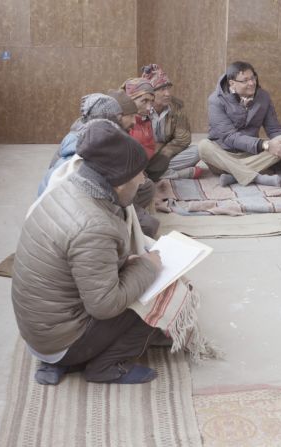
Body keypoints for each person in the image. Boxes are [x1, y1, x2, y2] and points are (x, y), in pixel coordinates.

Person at [12, 120, 166, 385]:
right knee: (160, 295)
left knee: (140, 278)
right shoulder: (93, 226)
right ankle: (105, 366)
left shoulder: (68, 185)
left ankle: (71, 359)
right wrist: (147, 266)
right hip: (58, 342)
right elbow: (105, 305)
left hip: (42, 332)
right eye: (139, 174)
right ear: (118, 183)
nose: (143, 181)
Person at [198, 61, 281, 187]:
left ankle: (235, 175)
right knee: (203, 146)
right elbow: (229, 137)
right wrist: (264, 144)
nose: (252, 83)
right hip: (224, 157)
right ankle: (257, 177)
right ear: (232, 83)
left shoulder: (263, 97)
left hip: (251, 154)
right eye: (245, 80)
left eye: (253, 77)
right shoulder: (216, 100)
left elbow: (274, 129)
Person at [37, 93, 124, 196]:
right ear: (106, 119)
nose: (121, 123)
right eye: (118, 118)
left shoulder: (78, 134)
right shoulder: (81, 157)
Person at [140, 64, 202, 181]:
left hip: (167, 153)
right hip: (145, 155)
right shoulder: (141, 109)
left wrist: (163, 153)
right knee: (133, 165)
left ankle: (152, 173)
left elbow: (183, 138)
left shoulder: (176, 108)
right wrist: (152, 151)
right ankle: (179, 174)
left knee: (198, 151)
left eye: (168, 88)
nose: (167, 93)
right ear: (151, 93)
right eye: (162, 89)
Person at [122, 78, 158, 159]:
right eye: (144, 101)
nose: (149, 107)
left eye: (151, 102)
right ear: (131, 100)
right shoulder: (123, 123)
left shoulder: (146, 120)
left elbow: (151, 147)